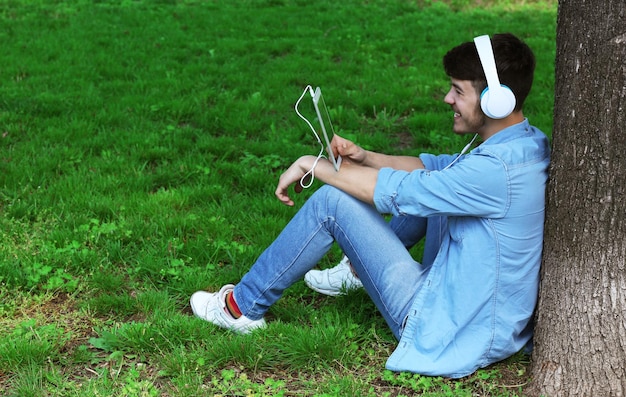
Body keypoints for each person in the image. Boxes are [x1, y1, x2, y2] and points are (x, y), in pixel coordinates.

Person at [190, 32, 550, 378]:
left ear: (494, 100)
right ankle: (357, 272)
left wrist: (313, 166)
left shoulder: (494, 171)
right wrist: (366, 157)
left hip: (443, 328)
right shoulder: (523, 144)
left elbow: (405, 191)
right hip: (481, 318)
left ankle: (241, 308)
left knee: (333, 200)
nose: (447, 99)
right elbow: (435, 169)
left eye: (457, 90)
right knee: (430, 188)